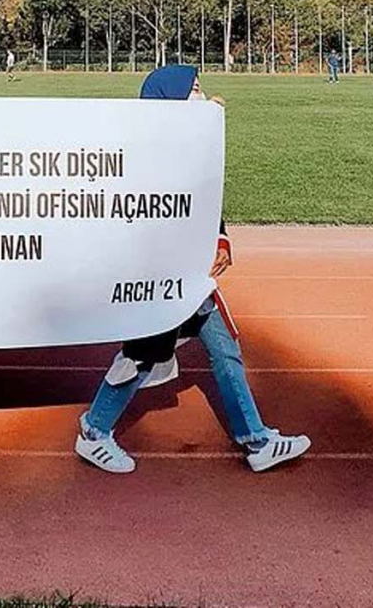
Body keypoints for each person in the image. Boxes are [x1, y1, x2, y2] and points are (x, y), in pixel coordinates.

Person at [74, 65, 310, 475]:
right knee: (142, 356)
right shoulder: (140, 152)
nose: (203, 95)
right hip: (156, 273)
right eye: (194, 89)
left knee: (223, 349)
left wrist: (220, 238)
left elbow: (201, 202)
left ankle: (256, 440)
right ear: (170, 99)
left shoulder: (193, 146)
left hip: (189, 273)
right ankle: (94, 431)